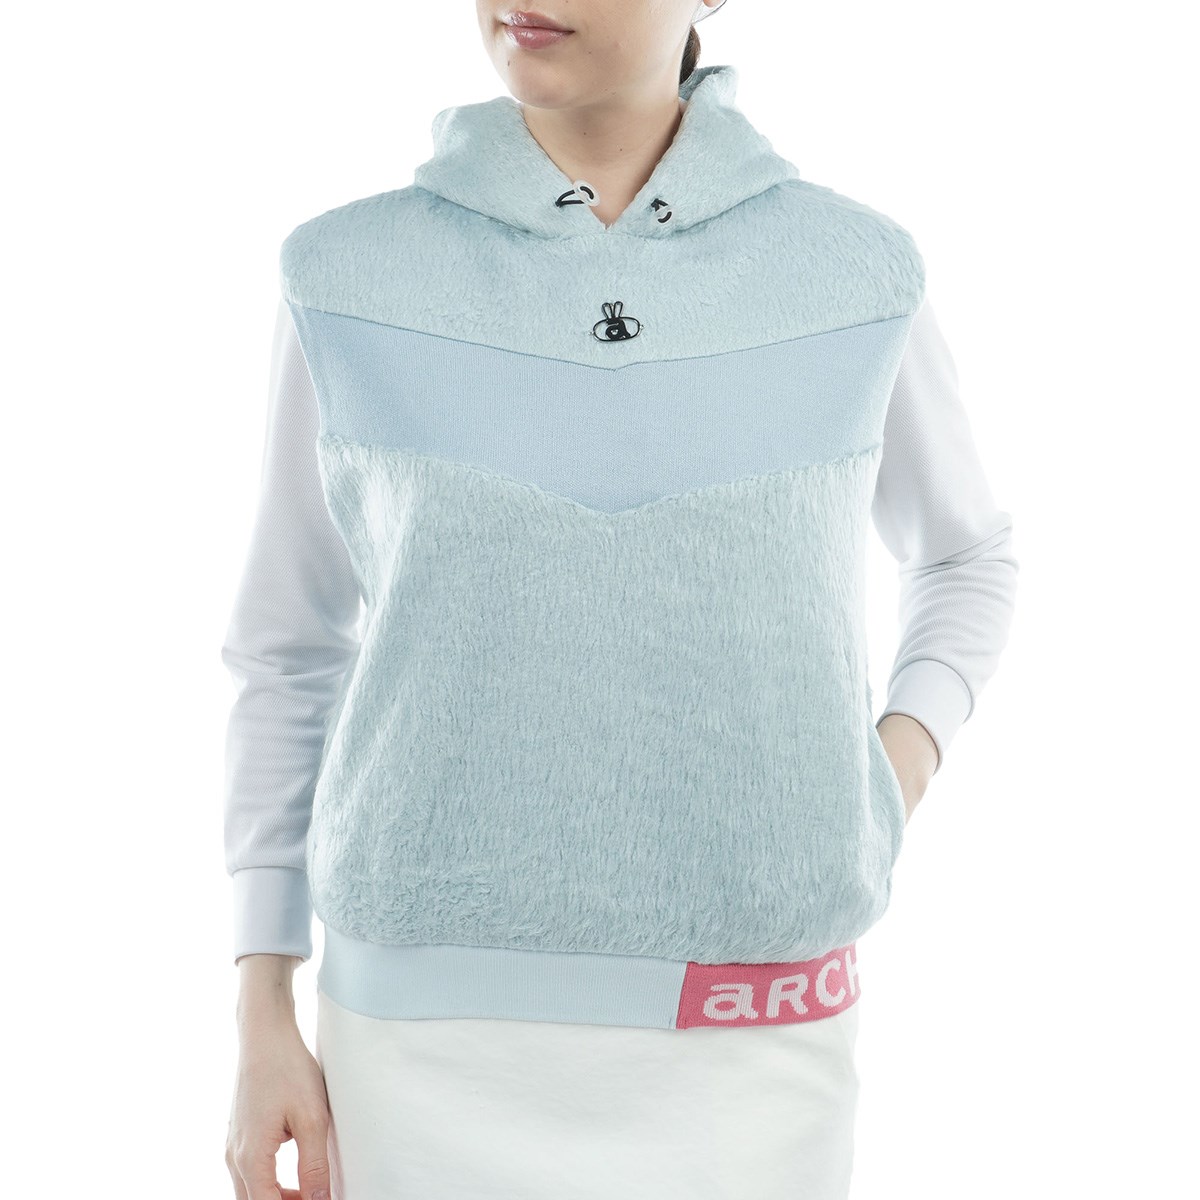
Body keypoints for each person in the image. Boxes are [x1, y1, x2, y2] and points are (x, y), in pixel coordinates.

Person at [221, 2, 1019, 1197]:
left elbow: (967, 559)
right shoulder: (347, 277)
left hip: (753, 1048)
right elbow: (289, 647)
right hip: (414, 1046)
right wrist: (261, 1005)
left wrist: (883, 781)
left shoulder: (852, 272)